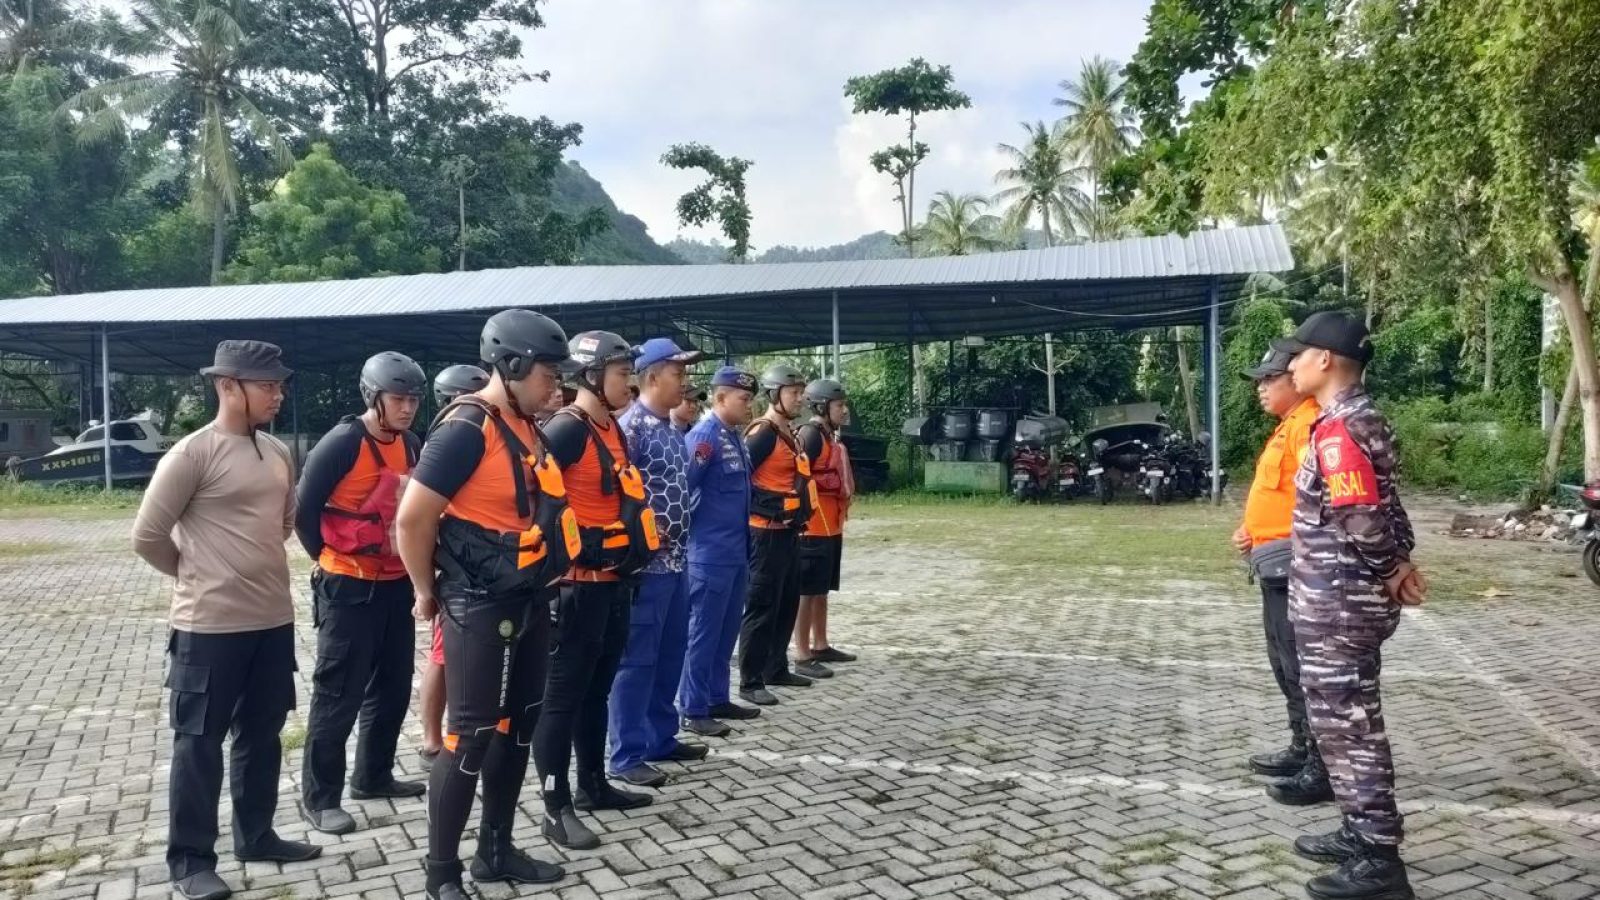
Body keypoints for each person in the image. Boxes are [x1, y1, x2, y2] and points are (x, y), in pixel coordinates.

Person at [395, 311, 574, 900]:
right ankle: (440, 874)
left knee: (519, 727)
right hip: (476, 603)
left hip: (527, 598)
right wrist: (426, 591)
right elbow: (413, 518)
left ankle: (495, 851)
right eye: (550, 371)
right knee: (469, 737)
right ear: (514, 364)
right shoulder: (467, 428)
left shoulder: (529, 427)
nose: (557, 384)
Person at [132, 340, 319, 900]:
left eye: (279, 384)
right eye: (267, 385)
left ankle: (256, 835)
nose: (277, 394)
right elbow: (146, 537)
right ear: (227, 386)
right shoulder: (192, 454)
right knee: (199, 742)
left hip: (270, 622)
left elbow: (284, 523)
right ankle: (190, 861)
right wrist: (198, 578)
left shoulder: (277, 452)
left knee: (262, 735)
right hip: (207, 628)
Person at [1279, 311, 1427, 900]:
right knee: (1349, 722)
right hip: (1344, 601)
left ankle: (1379, 862)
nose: (1290, 365)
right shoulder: (1357, 420)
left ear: (1324, 361)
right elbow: (1389, 506)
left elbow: (1362, 514)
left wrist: (1392, 567)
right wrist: (1401, 562)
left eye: (1298, 355)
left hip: (1338, 604)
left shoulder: (1341, 430)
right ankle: (1358, 830)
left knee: (1349, 730)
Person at [534, 331, 659, 850]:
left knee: (597, 690)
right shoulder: (567, 430)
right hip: (575, 590)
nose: (629, 382)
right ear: (590, 376)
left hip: (613, 584)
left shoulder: (612, 430)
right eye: (621, 372)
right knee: (560, 700)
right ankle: (555, 805)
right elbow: (535, 502)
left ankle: (592, 785)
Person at [294, 352, 427, 836]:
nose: (408, 407)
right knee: (337, 694)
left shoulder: (411, 444)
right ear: (374, 397)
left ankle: (373, 776)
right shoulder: (344, 441)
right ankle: (320, 798)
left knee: (391, 688)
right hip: (346, 586)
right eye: (399, 398)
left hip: (394, 584)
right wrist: (327, 558)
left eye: (414, 398)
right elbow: (304, 510)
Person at [1231, 348, 1327, 805]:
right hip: (1273, 560)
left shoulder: (1309, 425)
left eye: (1270, 378)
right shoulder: (1289, 426)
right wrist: (1254, 529)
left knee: (1301, 665)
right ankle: (1302, 746)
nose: (1261, 387)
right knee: (1283, 662)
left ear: (1294, 377)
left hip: (1295, 564)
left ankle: (1321, 763)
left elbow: (1317, 501)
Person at [611, 338, 709, 778]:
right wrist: (643, 531)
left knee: (671, 653)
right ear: (651, 377)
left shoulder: (671, 428)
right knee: (637, 661)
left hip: (676, 562)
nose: (683, 384)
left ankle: (659, 737)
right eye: (677, 374)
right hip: (645, 567)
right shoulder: (629, 429)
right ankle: (626, 753)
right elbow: (614, 494)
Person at [679, 367, 762, 730]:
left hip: (735, 553)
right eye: (743, 399)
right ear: (720, 397)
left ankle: (716, 697)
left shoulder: (734, 436)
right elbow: (683, 490)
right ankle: (694, 709)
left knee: (726, 632)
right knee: (702, 634)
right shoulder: (704, 437)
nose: (749, 405)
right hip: (709, 555)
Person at [418, 364, 491, 763]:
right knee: (443, 658)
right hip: (457, 570)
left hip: (481, 568)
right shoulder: (448, 441)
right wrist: (425, 585)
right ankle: (432, 737)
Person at [738, 364, 817, 704]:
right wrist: (770, 505)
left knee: (787, 601)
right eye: (793, 392)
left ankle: (776, 666)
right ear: (774, 394)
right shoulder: (763, 433)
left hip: (789, 531)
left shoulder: (790, 432)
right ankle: (751, 680)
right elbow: (741, 480)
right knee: (762, 605)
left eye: (801, 393)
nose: (800, 399)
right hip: (765, 533)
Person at [793, 379, 857, 677]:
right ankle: (803, 654)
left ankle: (821, 644)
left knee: (821, 590)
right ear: (821, 406)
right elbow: (798, 476)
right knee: (806, 591)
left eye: (843, 405)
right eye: (839, 405)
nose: (844, 410)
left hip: (831, 526)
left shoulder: (828, 434)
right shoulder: (811, 435)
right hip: (813, 527)